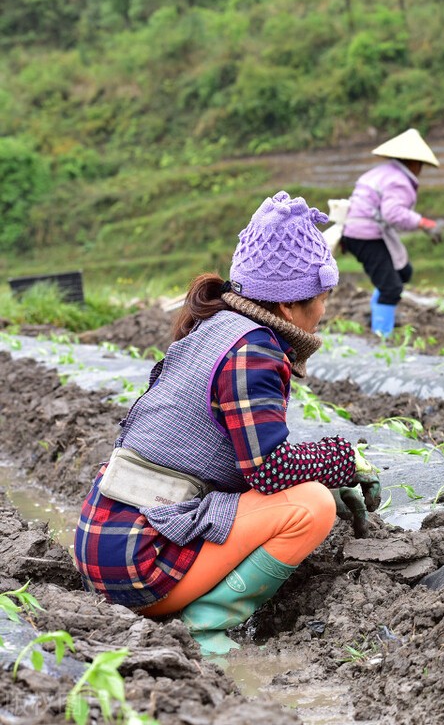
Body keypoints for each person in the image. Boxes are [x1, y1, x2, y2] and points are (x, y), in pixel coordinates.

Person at [73, 191, 381, 655]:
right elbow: (270, 469)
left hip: (105, 545)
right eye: (323, 297)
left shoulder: (216, 328)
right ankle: (203, 627)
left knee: (307, 488)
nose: (324, 310)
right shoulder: (253, 351)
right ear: (287, 305)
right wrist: (341, 461)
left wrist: (319, 469)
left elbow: (245, 462)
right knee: (313, 506)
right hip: (139, 565)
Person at [341, 127, 444, 338]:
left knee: (403, 272)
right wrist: (423, 223)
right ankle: (381, 335)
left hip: (363, 231)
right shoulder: (399, 180)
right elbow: (392, 213)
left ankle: (378, 311)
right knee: (391, 288)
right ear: (413, 163)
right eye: (421, 165)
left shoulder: (382, 172)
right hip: (365, 235)